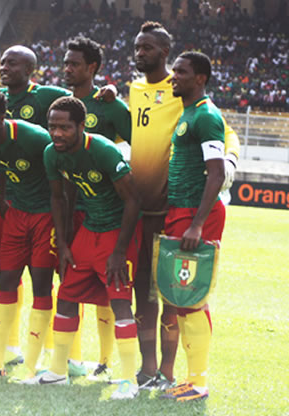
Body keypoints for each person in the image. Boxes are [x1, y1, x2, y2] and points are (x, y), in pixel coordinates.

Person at [125, 21, 240, 389]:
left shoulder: (200, 110)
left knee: (184, 298)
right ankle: (153, 372)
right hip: (152, 210)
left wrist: (229, 164)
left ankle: (185, 377)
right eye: (137, 46)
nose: (140, 53)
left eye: (147, 47)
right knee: (150, 291)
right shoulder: (137, 91)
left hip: (183, 212)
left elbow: (223, 144)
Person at [23, 96, 142, 401]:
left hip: (117, 232)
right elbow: (58, 198)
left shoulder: (103, 150)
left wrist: (120, 251)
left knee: (119, 301)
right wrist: (63, 243)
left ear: (81, 126)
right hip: (89, 230)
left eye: (64, 127)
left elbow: (133, 201)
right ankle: (57, 372)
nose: (56, 133)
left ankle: (129, 380)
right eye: (52, 127)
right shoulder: (52, 153)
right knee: (66, 296)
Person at [0, 87, 56, 378]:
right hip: (15, 215)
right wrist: (3, 197)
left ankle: (32, 365)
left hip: (45, 216)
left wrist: (62, 221)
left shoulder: (35, 138)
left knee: (41, 284)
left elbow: (61, 176)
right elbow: (0, 166)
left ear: (1, 117)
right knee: (5, 280)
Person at [0, 45, 72, 365]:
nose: (4, 67)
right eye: (2, 62)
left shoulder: (45, 96)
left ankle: (48, 352)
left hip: (46, 203)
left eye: (12, 63)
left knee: (45, 279)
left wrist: (102, 93)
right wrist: (1, 193)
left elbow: (77, 101)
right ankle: (8, 349)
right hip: (12, 203)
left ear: (30, 70)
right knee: (8, 275)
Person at [62, 35, 132, 379]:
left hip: (103, 213)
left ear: (92, 68)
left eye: (74, 64)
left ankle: (106, 360)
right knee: (69, 284)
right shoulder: (58, 103)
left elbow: (141, 144)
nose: (67, 69)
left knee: (109, 287)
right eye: (65, 63)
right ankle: (70, 359)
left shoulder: (109, 106)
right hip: (70, 209)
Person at [159, 51, 226, 401]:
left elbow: (216, 174)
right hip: (181, 211)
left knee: (192, 297)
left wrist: (197, 224)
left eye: (181, 72)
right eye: (174, 70)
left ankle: (198, 382)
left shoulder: (206, 116)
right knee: (181, 297)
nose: (174, 76)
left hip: (196, 214)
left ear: (200, 78)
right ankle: (191, 379)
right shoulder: (187, 113)